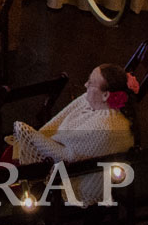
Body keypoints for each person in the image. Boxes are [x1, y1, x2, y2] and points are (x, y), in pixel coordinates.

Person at [9, 63, 137, 203]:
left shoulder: (103, 128)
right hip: (76, 162)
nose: (85, 84)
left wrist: (28, 134)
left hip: (79, 181)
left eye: (91, 83)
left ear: (106, 94)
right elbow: (62, 123)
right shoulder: (93, 101)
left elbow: (68, 156)